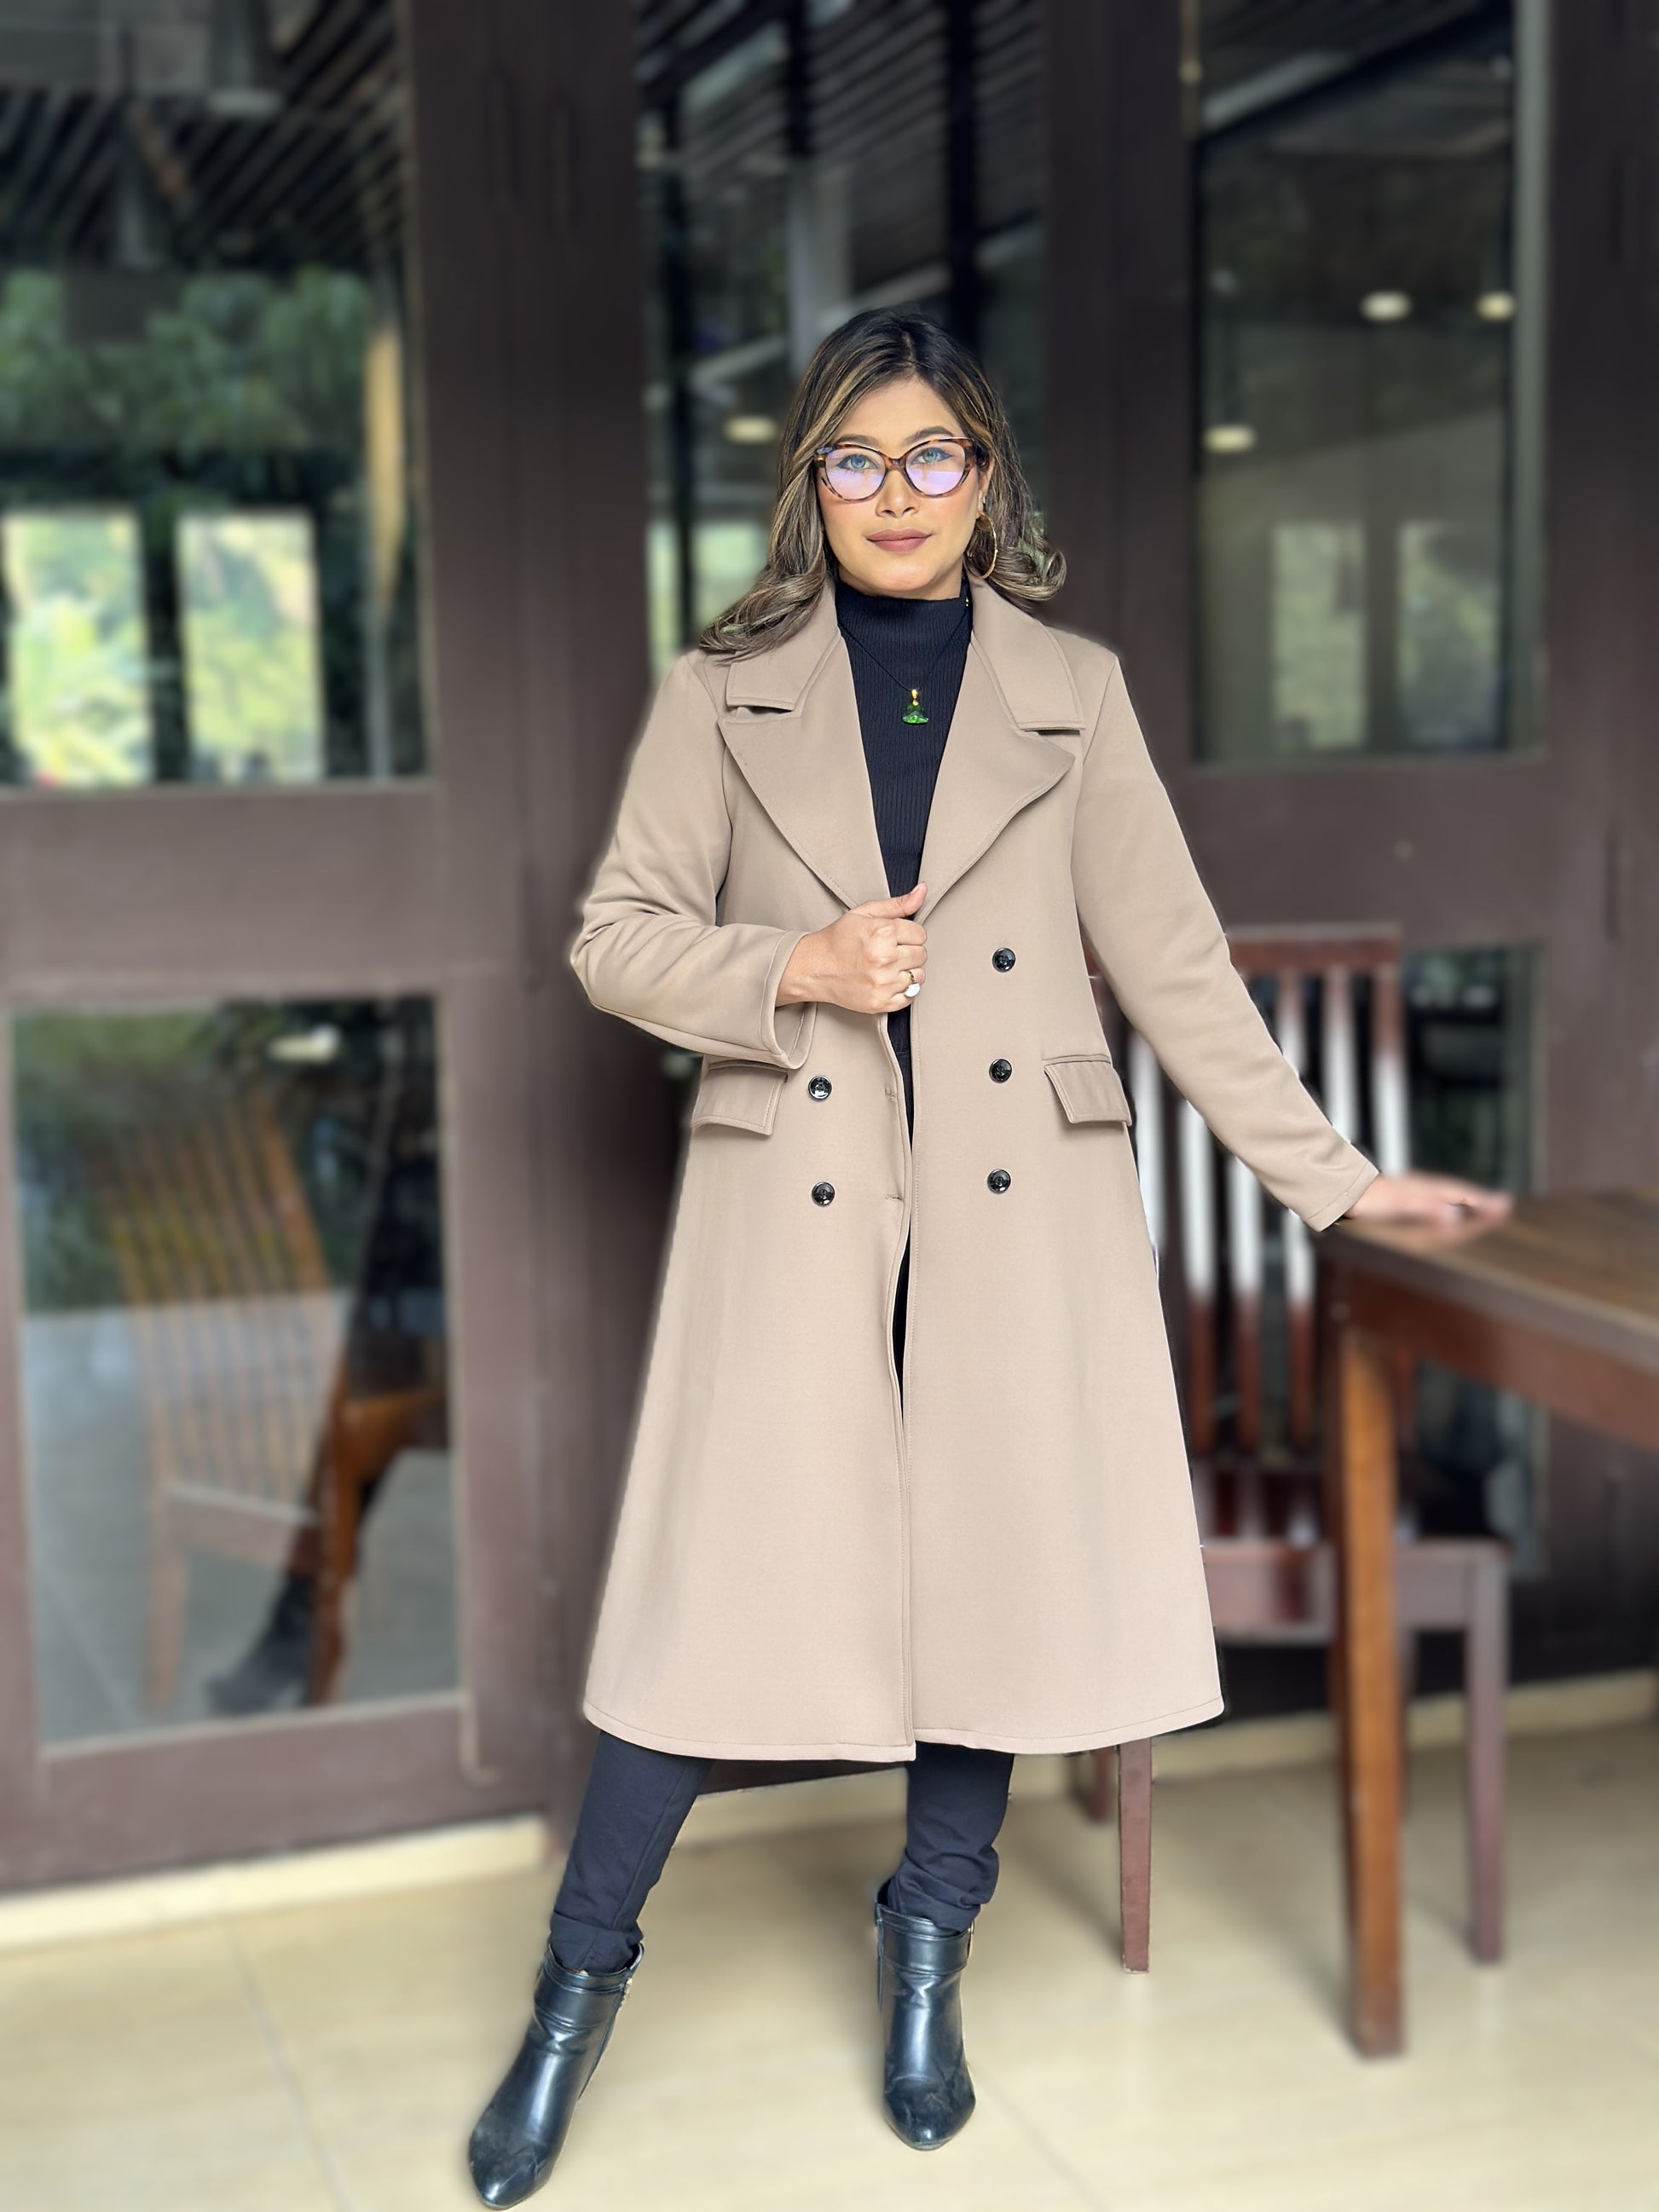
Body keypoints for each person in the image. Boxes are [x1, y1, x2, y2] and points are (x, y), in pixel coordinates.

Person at [465, 309, 1511, 2205]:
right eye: (856, 458)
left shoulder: (1070, 692)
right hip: (795, 1190)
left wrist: (1338, 1182)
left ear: (985, 478)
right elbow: (616, 936)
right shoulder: (723, 690)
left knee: (990, 1590)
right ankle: (573, 1993)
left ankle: (928, 1948)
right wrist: (792, 965)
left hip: (1020, 1205)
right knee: (699, 1610)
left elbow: (1174, 966)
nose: (897, 492)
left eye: (932, 455)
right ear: (812, 483)